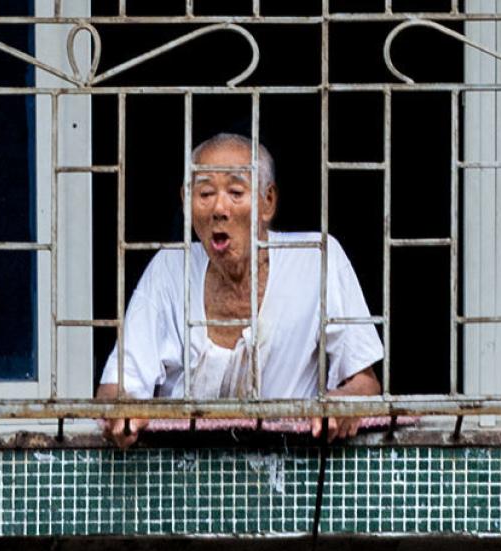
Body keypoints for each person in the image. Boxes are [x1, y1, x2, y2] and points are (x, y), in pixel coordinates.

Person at [97, 133, 383, 447]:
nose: (219, 208)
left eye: (236, 192)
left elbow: (365, 383)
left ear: (267, 202)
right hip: (182, 472)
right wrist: (121, 412)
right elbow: (115, 388)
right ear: (186, 202)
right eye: (205, 193)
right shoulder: (168, 269)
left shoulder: (317, 257)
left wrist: (342, 403)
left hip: (291, 470)